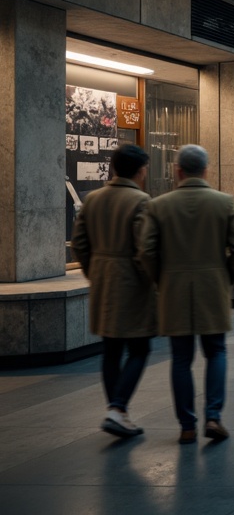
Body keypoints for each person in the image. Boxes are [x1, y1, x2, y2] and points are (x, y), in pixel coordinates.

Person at [139, 144, 234, 444]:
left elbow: (146, 251)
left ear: (178, 170)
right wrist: (226, 277)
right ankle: (213, 416)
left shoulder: (159, 205)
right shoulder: (224, 203)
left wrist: (162, 279)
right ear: (206, 170)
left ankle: (187, 424)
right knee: (216, 352)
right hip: (213, 287)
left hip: (174, 290)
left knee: (180, 358)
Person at [70, 143, 154, 438]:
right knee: (140, 348)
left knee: (111, 349)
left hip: (103, 281)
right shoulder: (141, 201)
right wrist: (152, 280)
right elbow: (145, 249)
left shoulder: (92, 199)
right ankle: (118, 408)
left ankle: (117, 410)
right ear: (140, 170)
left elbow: (79, 243)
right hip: (131, 284)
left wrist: (94, 271)